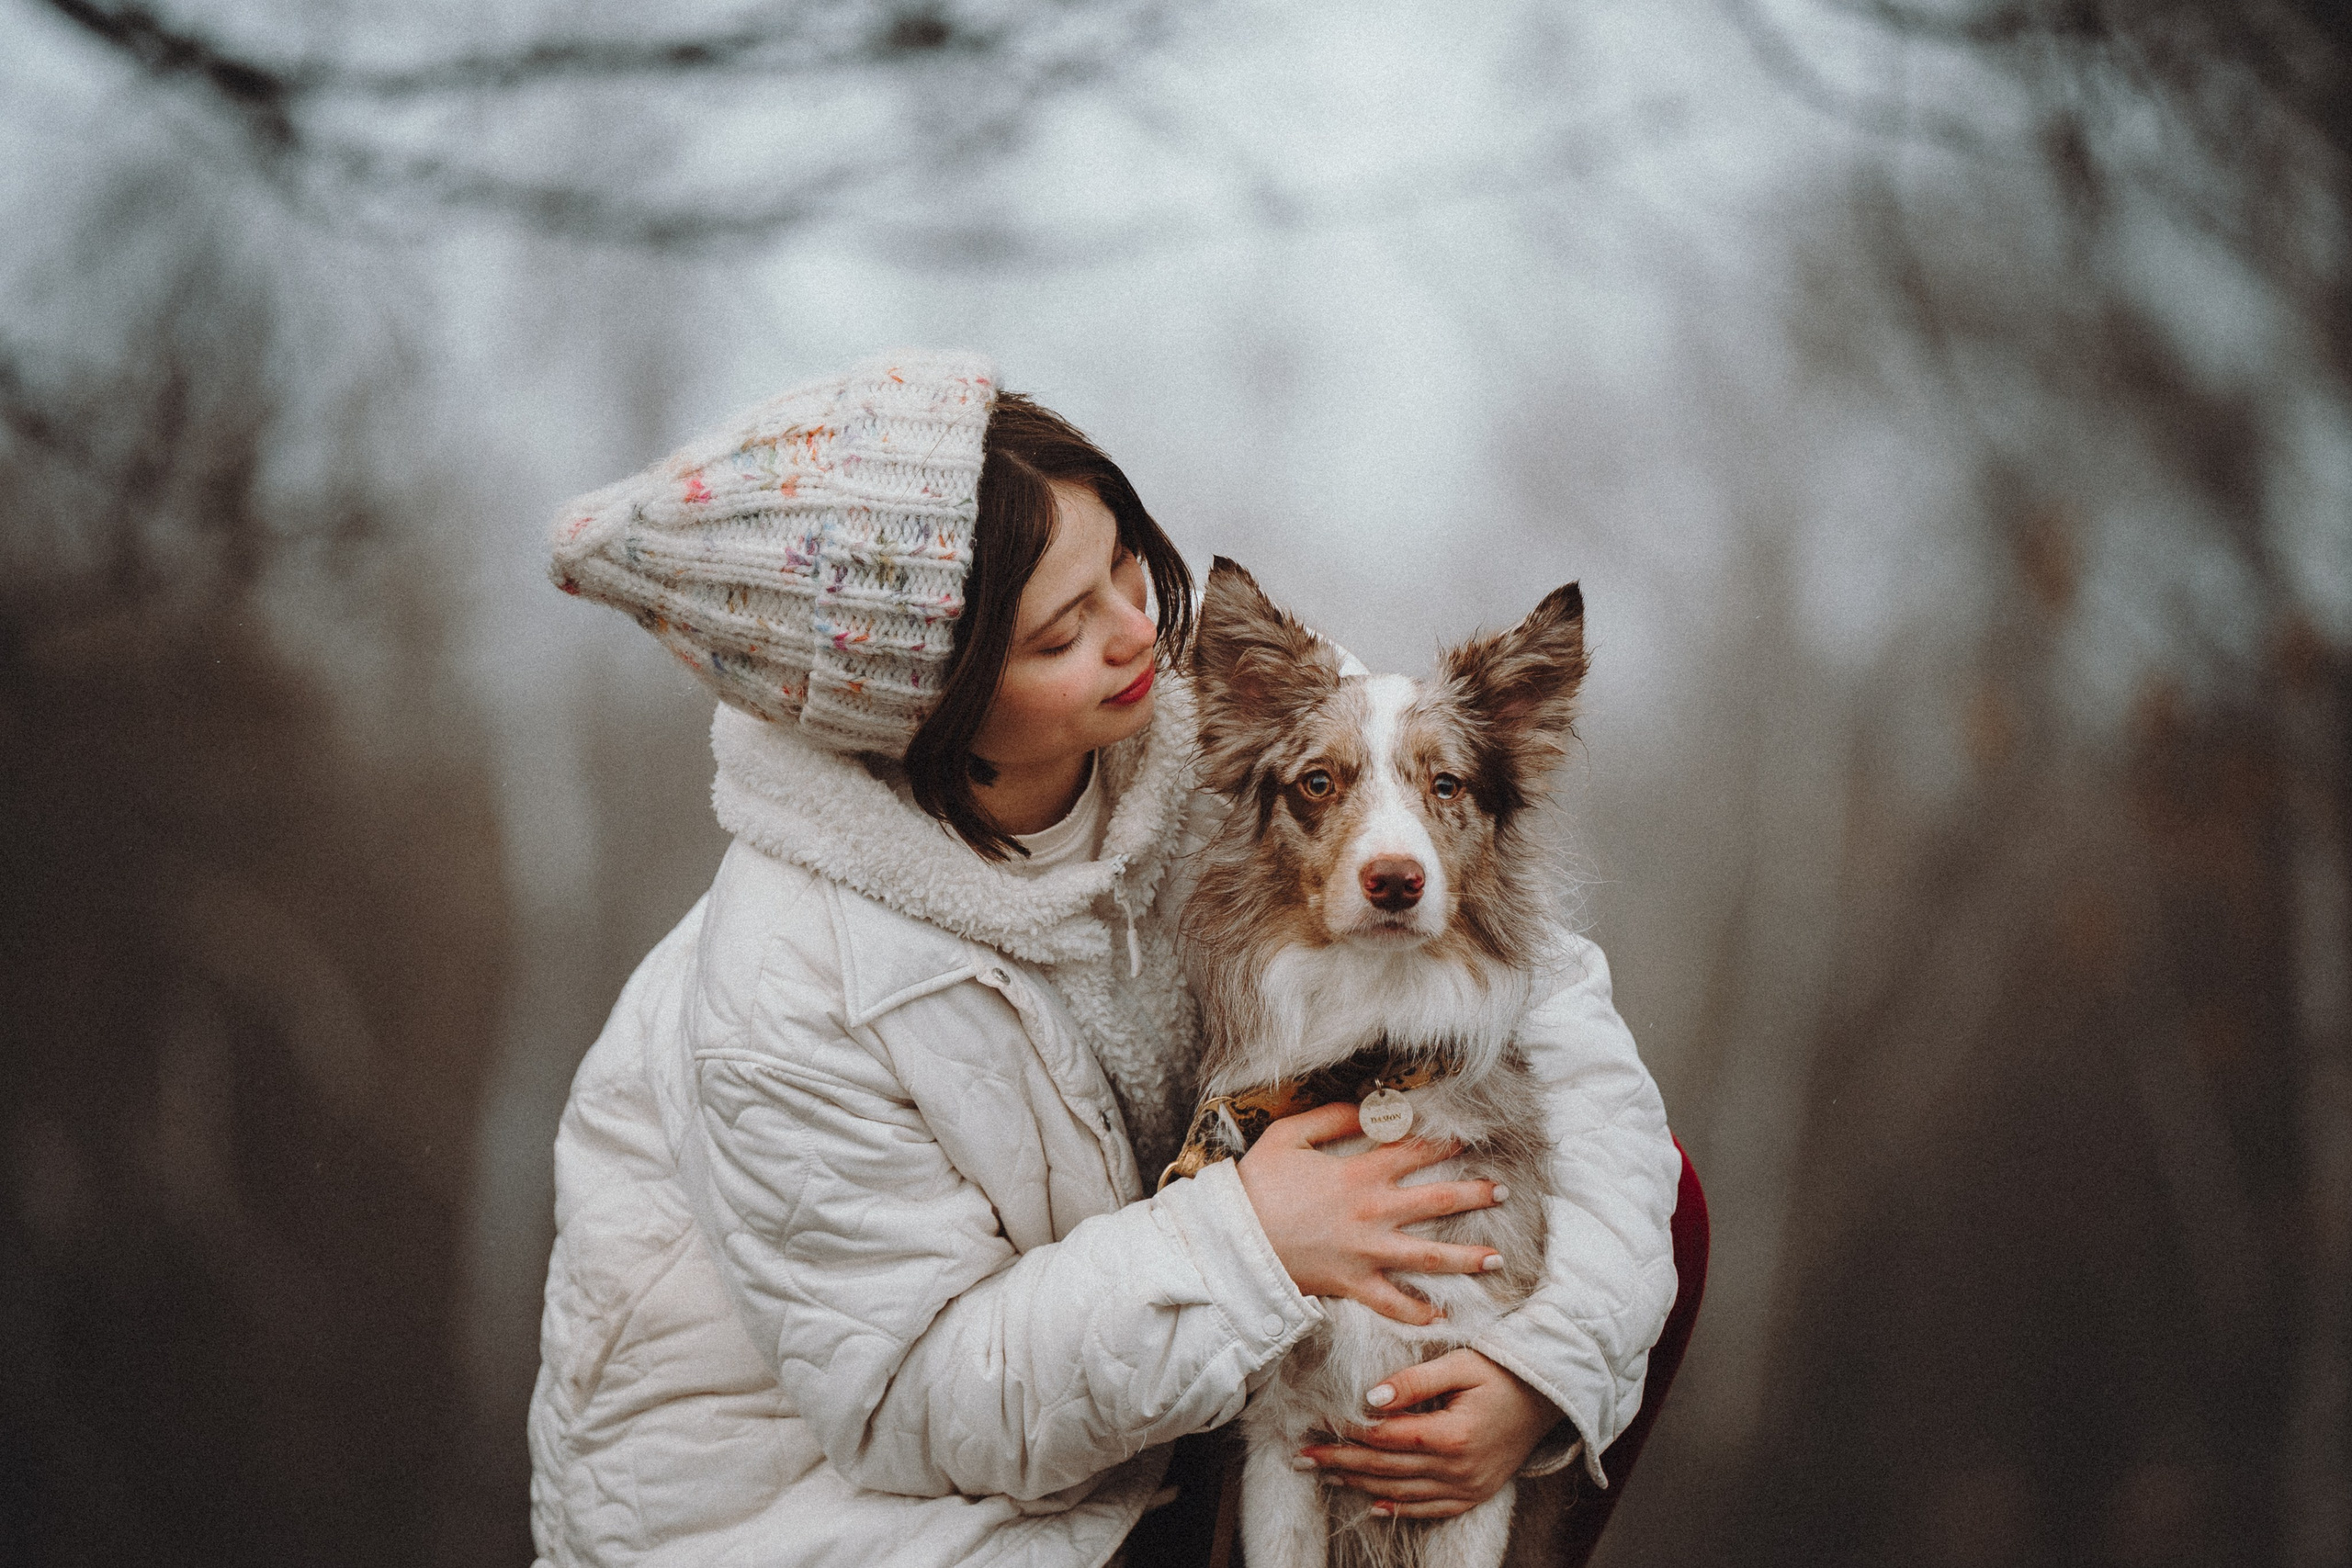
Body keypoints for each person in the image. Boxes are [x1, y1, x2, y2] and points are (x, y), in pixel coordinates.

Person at [530, 352, 1681, 1567]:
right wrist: (1251, 1240)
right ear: (933, 704)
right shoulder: (780, 985)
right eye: (1061, 630)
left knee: (1658, 1204)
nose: (1141, 630)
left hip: (1133, 1397)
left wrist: (1543, 1375)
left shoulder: (1224, 716)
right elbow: (918, 1409)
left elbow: (1574, 1044)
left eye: (1123, 558)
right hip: (856, 1515)